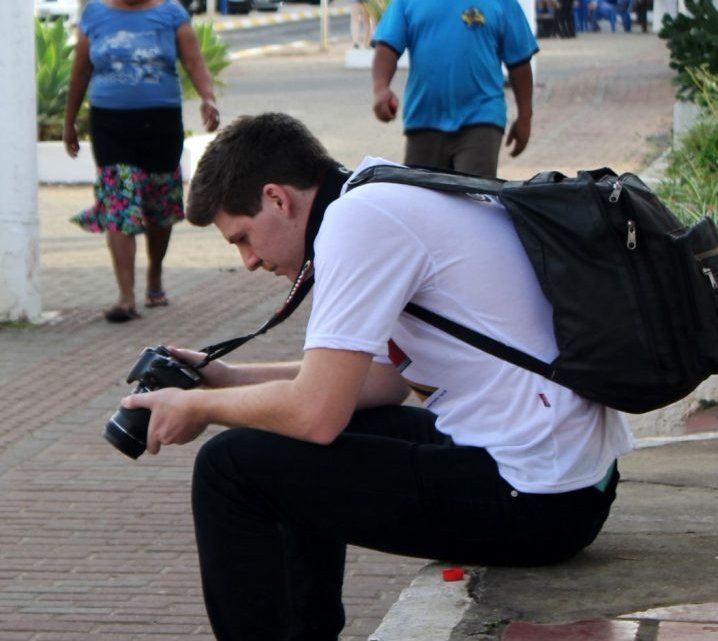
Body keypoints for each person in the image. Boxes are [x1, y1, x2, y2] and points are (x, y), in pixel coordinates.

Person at [122, 113, 633, 641]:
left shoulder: (355, 223)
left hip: (537, 503)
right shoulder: (384, 188)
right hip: (573, 482)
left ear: (277, 199)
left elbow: (315, 414)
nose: (249, 261)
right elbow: (385, 381)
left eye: (243, 239)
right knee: (279, 438)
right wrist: (224, 378)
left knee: (228, 469)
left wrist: (197, 408)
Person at [63, 0, 220, 323]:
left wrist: (208, 98)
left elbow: (194, 61)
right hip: (110, 125)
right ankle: (126, 298)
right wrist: (69, 124)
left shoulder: (171, 14)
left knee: (160, 206)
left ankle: (155, 277)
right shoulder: (94, 14)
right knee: (119, 201)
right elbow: (80, 72)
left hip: (160, 124)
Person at [372, 0, 538, 178]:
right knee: (422, 198)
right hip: (424, 118)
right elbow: (387, 46)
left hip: (482, 117)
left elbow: (519, 60)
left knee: (472, 197)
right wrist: (381, 88)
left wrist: (525, 117)